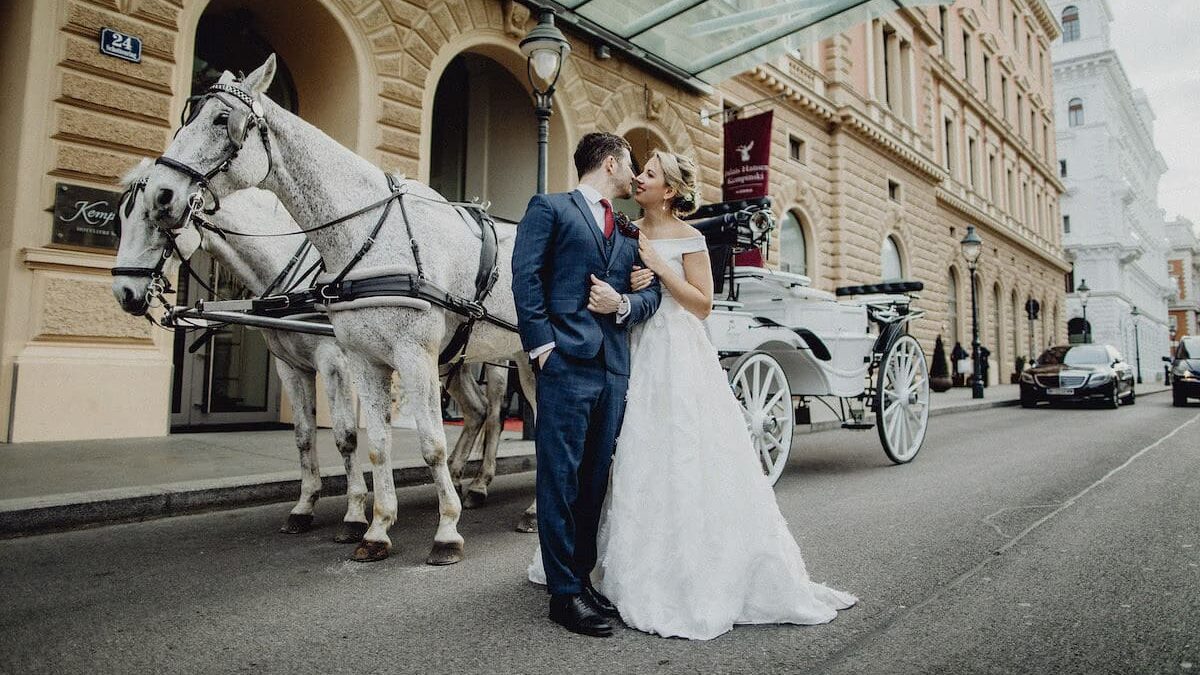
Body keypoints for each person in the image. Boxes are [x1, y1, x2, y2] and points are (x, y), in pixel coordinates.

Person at [527, 150, 856, 641]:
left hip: (676, 354)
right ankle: (589, 571)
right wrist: (632, 287)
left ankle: (676, 569)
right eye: (638, 170)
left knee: (677, 451)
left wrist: (659, 270)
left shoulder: (691, 238)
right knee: (623, 460)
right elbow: (611, 284)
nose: (640, 177)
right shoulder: (621, 228)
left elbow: (702, 304)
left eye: (651, 173)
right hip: (624, 351)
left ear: (672, 190)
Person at [511, 132, 662, 638]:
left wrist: (622, 303)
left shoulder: (624, 229)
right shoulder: (549, 208)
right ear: (613, 163)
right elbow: (525, 278)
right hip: (565, 365)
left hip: (614, 369)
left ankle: (580, 578)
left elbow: (652, 294)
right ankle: (562, 595)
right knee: (561, 478)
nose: (635, 175)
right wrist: (543, 348)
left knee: (595, 479)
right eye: (631, 166)